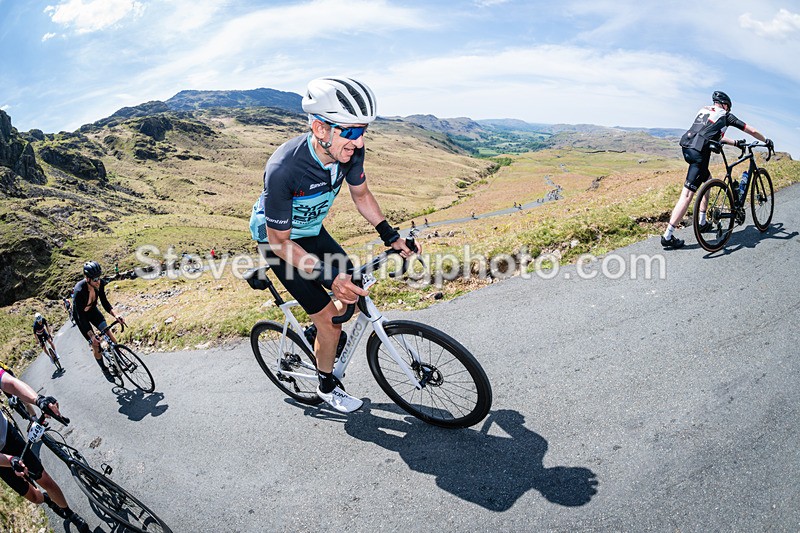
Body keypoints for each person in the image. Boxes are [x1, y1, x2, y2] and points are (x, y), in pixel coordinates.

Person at [249, 76, 418, 413]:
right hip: (277, 242)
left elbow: (362, 194)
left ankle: (320, 335)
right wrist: (328, 278)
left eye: (364, 131)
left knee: (354, 294)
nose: (359, 141)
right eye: (351, 132)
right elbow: (280, 243)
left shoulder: (351, 152)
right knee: (330, 318)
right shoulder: (284, 169)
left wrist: (391, 236)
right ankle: (326, 384)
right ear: (320, 129)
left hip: (311, 231)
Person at [662, 91, 772, 249]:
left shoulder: (704, 110)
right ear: (726, 106)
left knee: (708, 180)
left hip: (687, 145)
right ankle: (668, 235)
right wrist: (766, 140)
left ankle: (702, 222)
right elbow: (751, 130)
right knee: (686, 195)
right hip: (699, 152)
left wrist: (735, 143)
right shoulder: (726, 115)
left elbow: (713, 134)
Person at [0, 364, 90, 531]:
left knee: (45, 479)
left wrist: (38, 400)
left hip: (7, 436)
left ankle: (69, 513)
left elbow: (10, 382)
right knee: (34, 497)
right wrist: (11, 460)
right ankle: (47, 500)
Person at [72, 261, 126, 380]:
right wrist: (91, 336)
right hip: (81, 317)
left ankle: (119, 356)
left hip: (92, 311)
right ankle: (104, 368)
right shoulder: (79, 291)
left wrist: (116, 315)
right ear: (87, 278)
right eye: (95, 279)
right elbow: (80, 317)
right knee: (96, 344)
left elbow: (105, 302)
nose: (98, 281)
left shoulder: (99, 284)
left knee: (107, 332)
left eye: (99, 277)